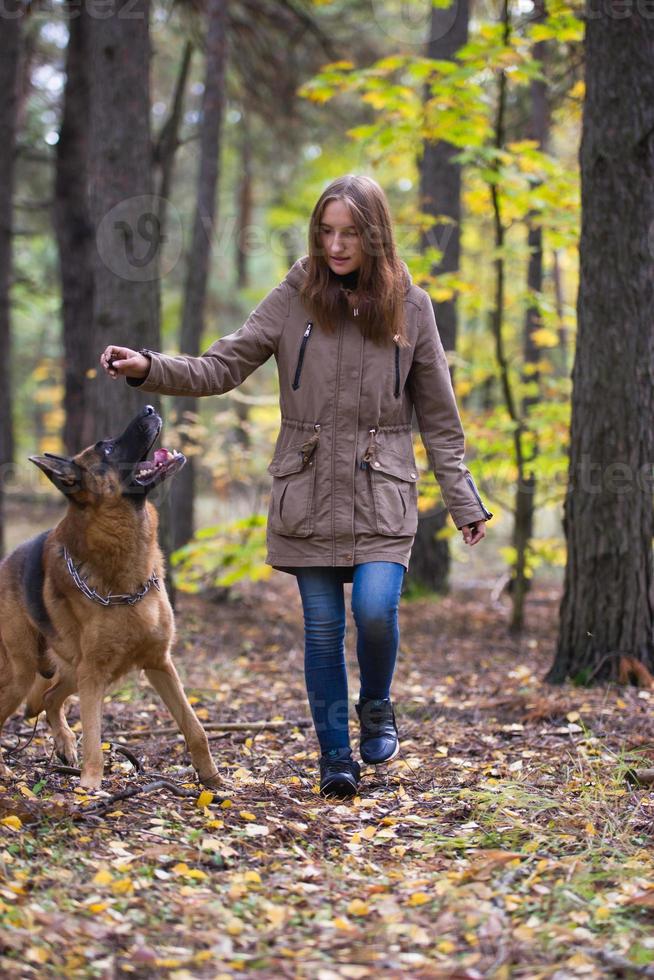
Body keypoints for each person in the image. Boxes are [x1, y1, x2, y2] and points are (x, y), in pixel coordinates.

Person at [100, 174, 492, 799]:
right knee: (320, 629)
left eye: (350, 233)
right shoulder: (294, 297)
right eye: (326, 232)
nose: (336, 246)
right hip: (306, 491)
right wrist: (150, 367)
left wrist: (463, 500)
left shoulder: (411, 307)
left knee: (374, 610)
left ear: (375, 235)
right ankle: (337, 756)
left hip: (383, 488)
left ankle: (379, 703)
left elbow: (440, 418)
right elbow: (222, 365)